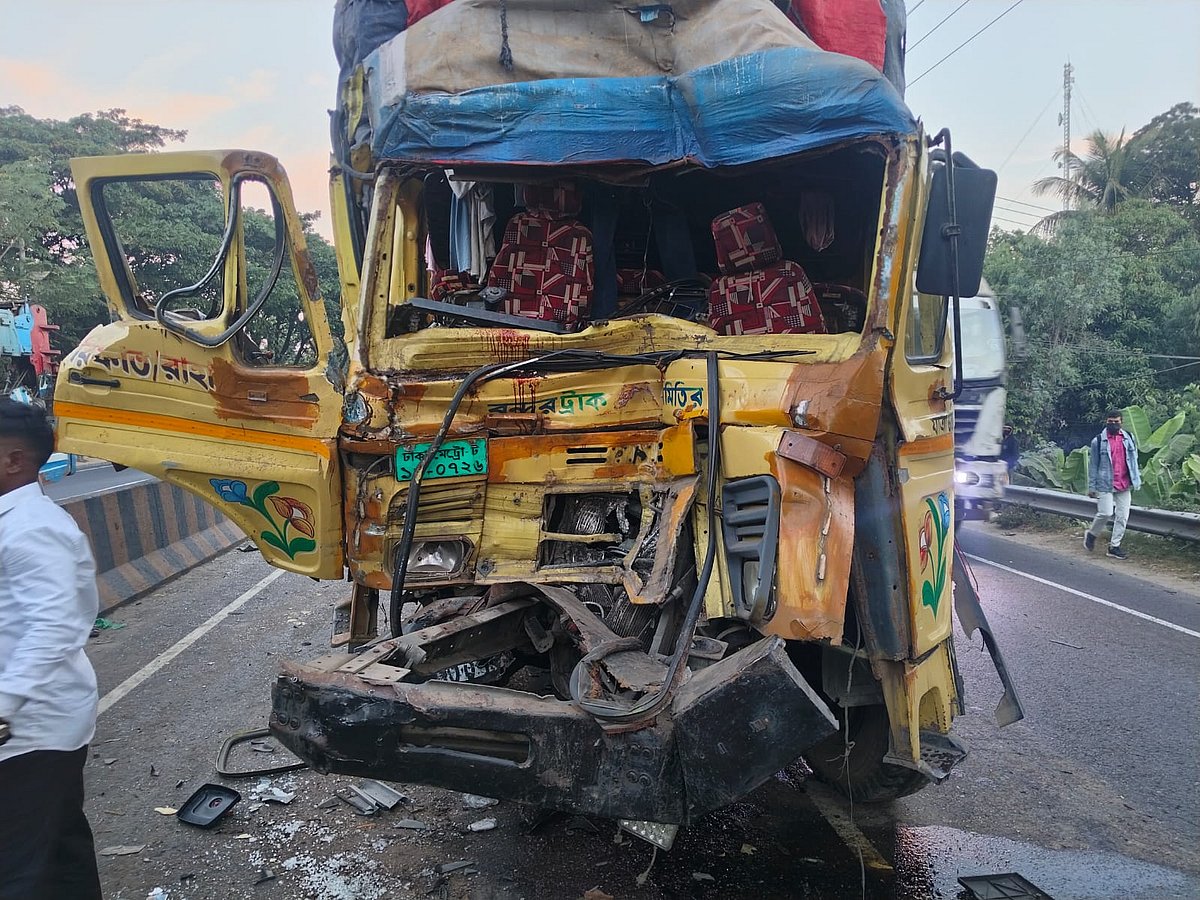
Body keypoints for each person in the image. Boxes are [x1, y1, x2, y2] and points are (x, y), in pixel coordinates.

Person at [0, 398, 103, 900]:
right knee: (60, 856)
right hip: (35, 723)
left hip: (29, 730)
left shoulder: (32, 528)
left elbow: (53, 625)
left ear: (13, 460)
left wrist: (3, 705)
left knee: (22, 873)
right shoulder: (16, 522)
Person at [1084, 409, 1141, 560]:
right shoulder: (1098, 441)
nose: (1113, 424)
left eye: (1116, 422)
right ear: (1106, 422)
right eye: (1110, 422)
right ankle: (1092, 534)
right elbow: (1093, 465)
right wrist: (1092, 487)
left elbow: (1134, 459)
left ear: (1121, 422)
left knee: (1123, 516)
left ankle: (1114, 546)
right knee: (1106, 513)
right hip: (1105, 483)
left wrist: (1136, 478)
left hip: (1124, 482)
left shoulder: (1129, 438)